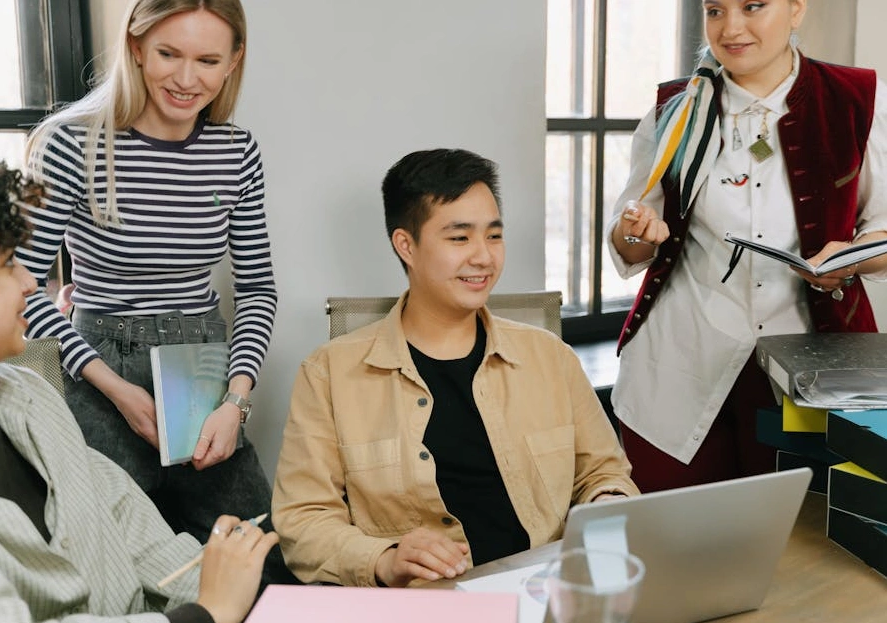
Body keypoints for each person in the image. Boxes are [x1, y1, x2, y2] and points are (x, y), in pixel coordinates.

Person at [272, 148, 638, 588]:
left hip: (548, 591)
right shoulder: (329, 374)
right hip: (426, 604)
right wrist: (384, 559)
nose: (484, 257)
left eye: (494, 235)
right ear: (406, 245)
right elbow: (303, 521)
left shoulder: (551, 358)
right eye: (460, 238)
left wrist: (606, 503)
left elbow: (603, 472)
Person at [0, 153, 278, 623]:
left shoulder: (30, 397)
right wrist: (209, 612)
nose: (29, 283)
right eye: (7, 265)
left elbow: (123, 514)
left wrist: (222, 582)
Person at [15, 0, 284, 564]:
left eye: (207, 60)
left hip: (203, 371)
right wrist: (116, 388)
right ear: (136, 48)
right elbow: (22, 287)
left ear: (234, 61)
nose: (186, 79)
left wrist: (235, 401)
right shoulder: (72, 143)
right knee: (110, 565)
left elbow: (258, 289)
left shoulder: (236, 152)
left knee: (259, 560)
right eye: (168, 54)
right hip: (98, 368)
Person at [607, 0, 887, 492]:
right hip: (678, 364)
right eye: (715, 10)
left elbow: (882, 229)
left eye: (753, 6)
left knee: (800, 530)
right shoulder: (673, 107)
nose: (731, 28)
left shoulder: (857, 99)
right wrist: (635, 231)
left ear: (796, 9)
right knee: (674, 528)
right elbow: (630, 240)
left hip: (809, 369)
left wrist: (848, 261)